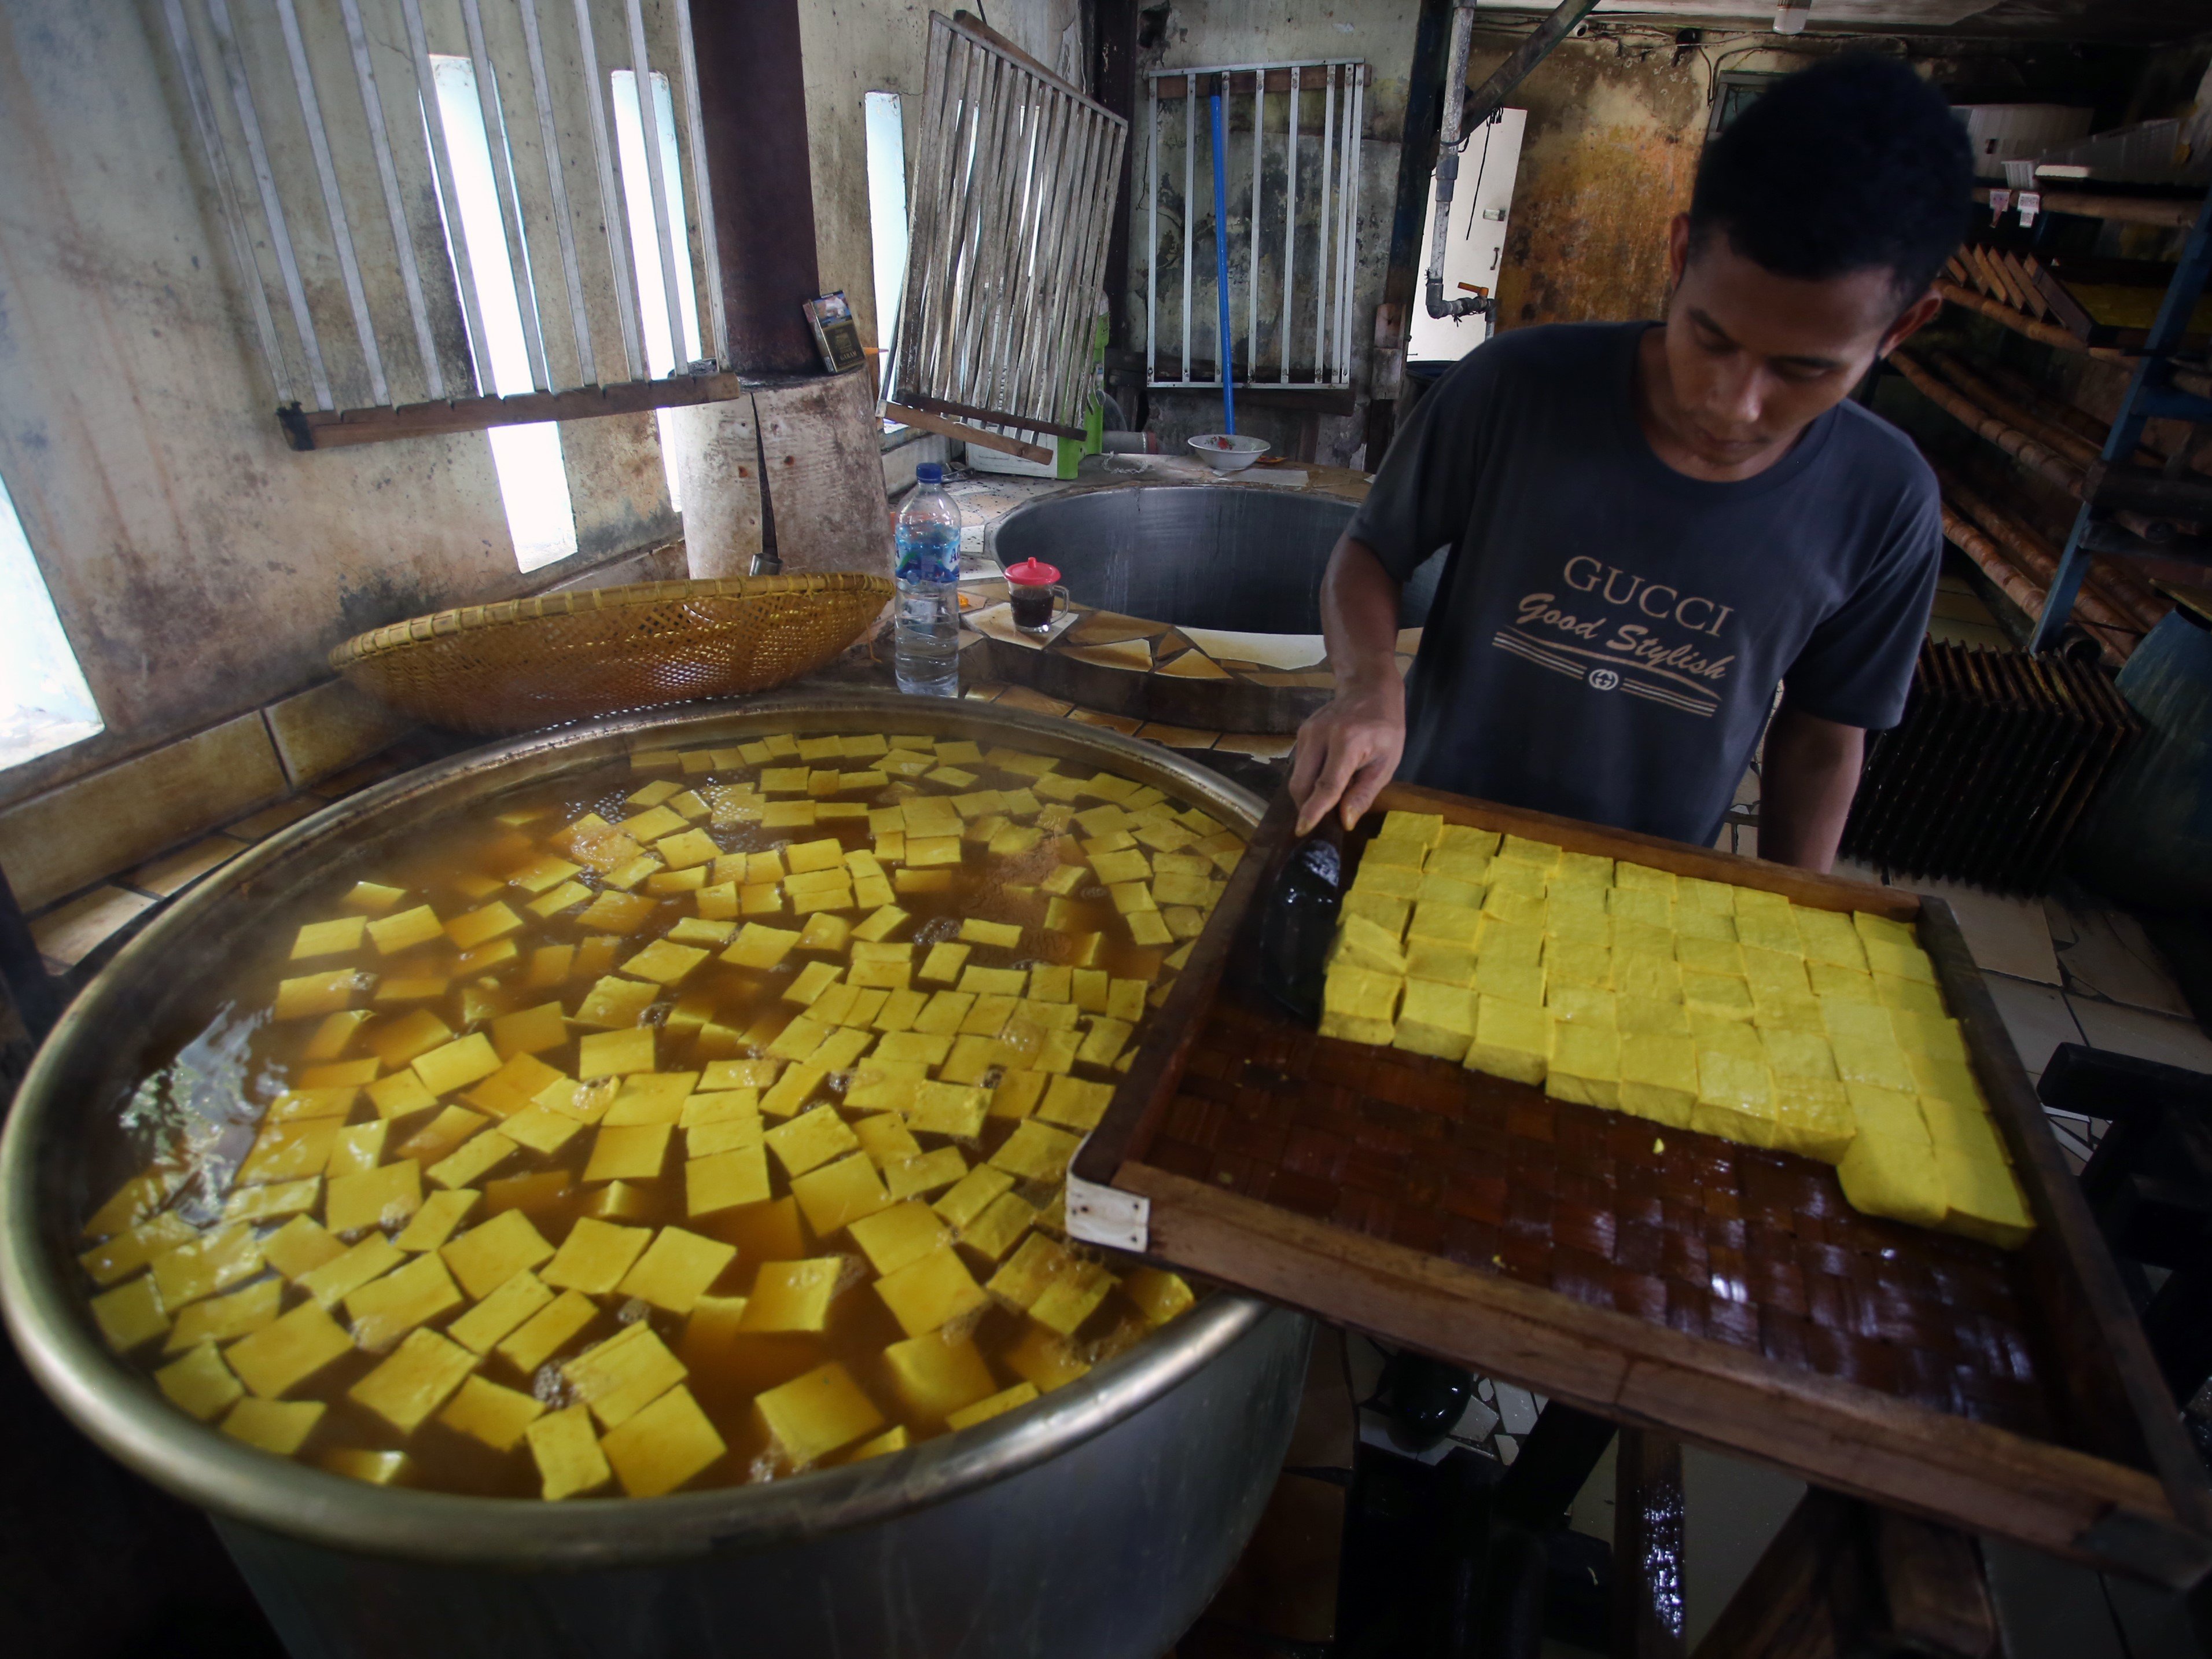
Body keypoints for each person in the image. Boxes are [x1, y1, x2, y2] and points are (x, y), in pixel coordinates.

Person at [1289, 53, 1972, 873]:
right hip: (1428, 832)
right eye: (1711, 337)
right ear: (1680, 254)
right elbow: (1370, 551)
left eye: (1804, 369)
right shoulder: (1517, 387)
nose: (1733, 403)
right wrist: (1368, 684)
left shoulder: (1886, 503)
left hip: (1648, 880)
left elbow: (1824, 738)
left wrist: (1794, 911)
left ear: (1901, 330)